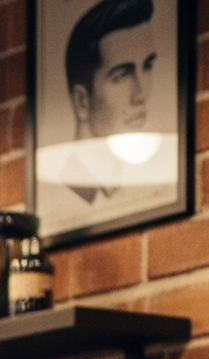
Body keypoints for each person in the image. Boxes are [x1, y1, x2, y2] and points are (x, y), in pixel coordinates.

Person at [58, 0, 169, 210]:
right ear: (82, 102)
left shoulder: (138, 183)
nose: (140, 95)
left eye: (147, 66)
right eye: (121, 76)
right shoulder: (62, 198)